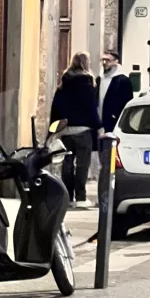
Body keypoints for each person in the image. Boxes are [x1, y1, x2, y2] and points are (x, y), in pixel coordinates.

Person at [50, 52, 101, 207]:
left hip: (66, 131)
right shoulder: (88, 83)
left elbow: (55, 107)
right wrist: (99, 126)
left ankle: (68, 197)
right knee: (82, 165)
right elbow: (91, 108)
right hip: (83, 131)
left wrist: (52, 129)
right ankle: (80, 197)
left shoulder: (64, 83)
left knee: (67, 163)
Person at [97, 50, 134, 133]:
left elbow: (127, 103)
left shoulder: (123, 81)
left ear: (116, 62)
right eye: (103, 60)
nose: (104, 63)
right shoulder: (98, 79)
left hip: (114, 123)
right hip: (98, 123)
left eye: (108, 60)